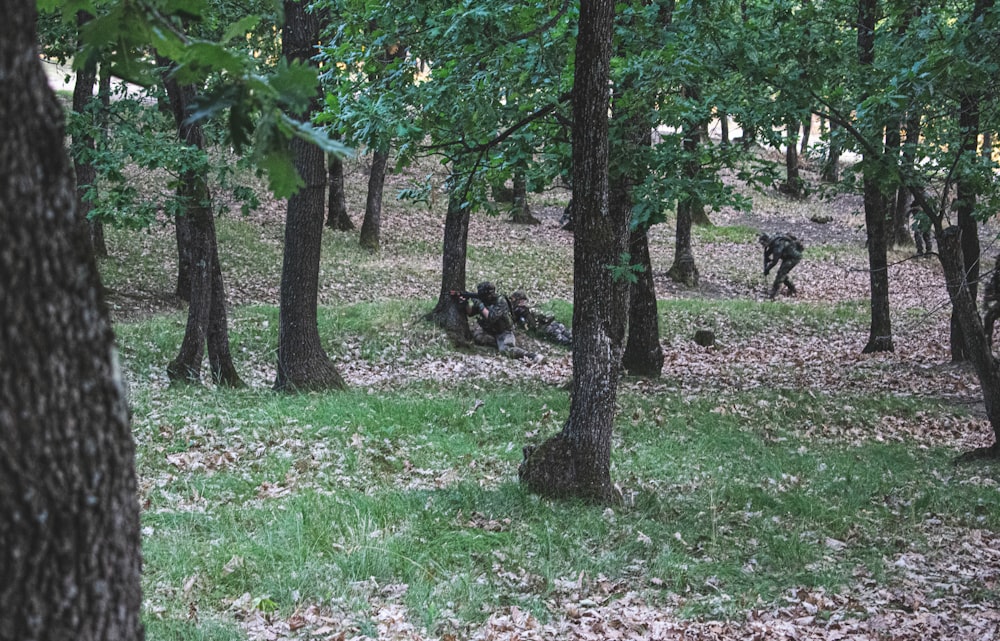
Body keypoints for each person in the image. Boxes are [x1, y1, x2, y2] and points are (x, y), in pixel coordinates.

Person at [459, 282, 544, 363]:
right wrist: (465, 303)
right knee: (477, 336)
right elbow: (470, 313)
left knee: (506, 350)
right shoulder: (484, 301)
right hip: (490, 331)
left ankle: (531, 355)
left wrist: (480, 305)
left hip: (504, 332)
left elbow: (491, 317)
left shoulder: (500, 301)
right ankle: (498, 344)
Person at [508, 291, 572, 346]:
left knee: (559, 326)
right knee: (555, 332)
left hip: (542, 324)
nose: (523, 303)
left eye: (524, 301)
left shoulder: (525, 309)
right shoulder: (517, 311)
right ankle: (568, 342)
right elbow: (527, 324)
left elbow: (538, 315)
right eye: (521, 301)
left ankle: (571, 337)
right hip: (539, 328)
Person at [759, 232, 803, 299]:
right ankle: (792, 289)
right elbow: (769, 251)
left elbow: (774, 261)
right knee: (782, 274)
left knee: (781, 274)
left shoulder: (778, 245)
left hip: (793, 258)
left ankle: (773, 293)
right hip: (787, 257)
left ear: (767, 241)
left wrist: (767, 269)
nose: (763, 246)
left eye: (763, 244)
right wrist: (767, 257)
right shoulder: (774, 241)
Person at [984, 255, 1000, 348]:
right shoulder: (996, 274)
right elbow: (990, 288)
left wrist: (993, 297)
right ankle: (986, 347)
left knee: (989, 317)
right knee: (988, 318)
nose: (997, 263)